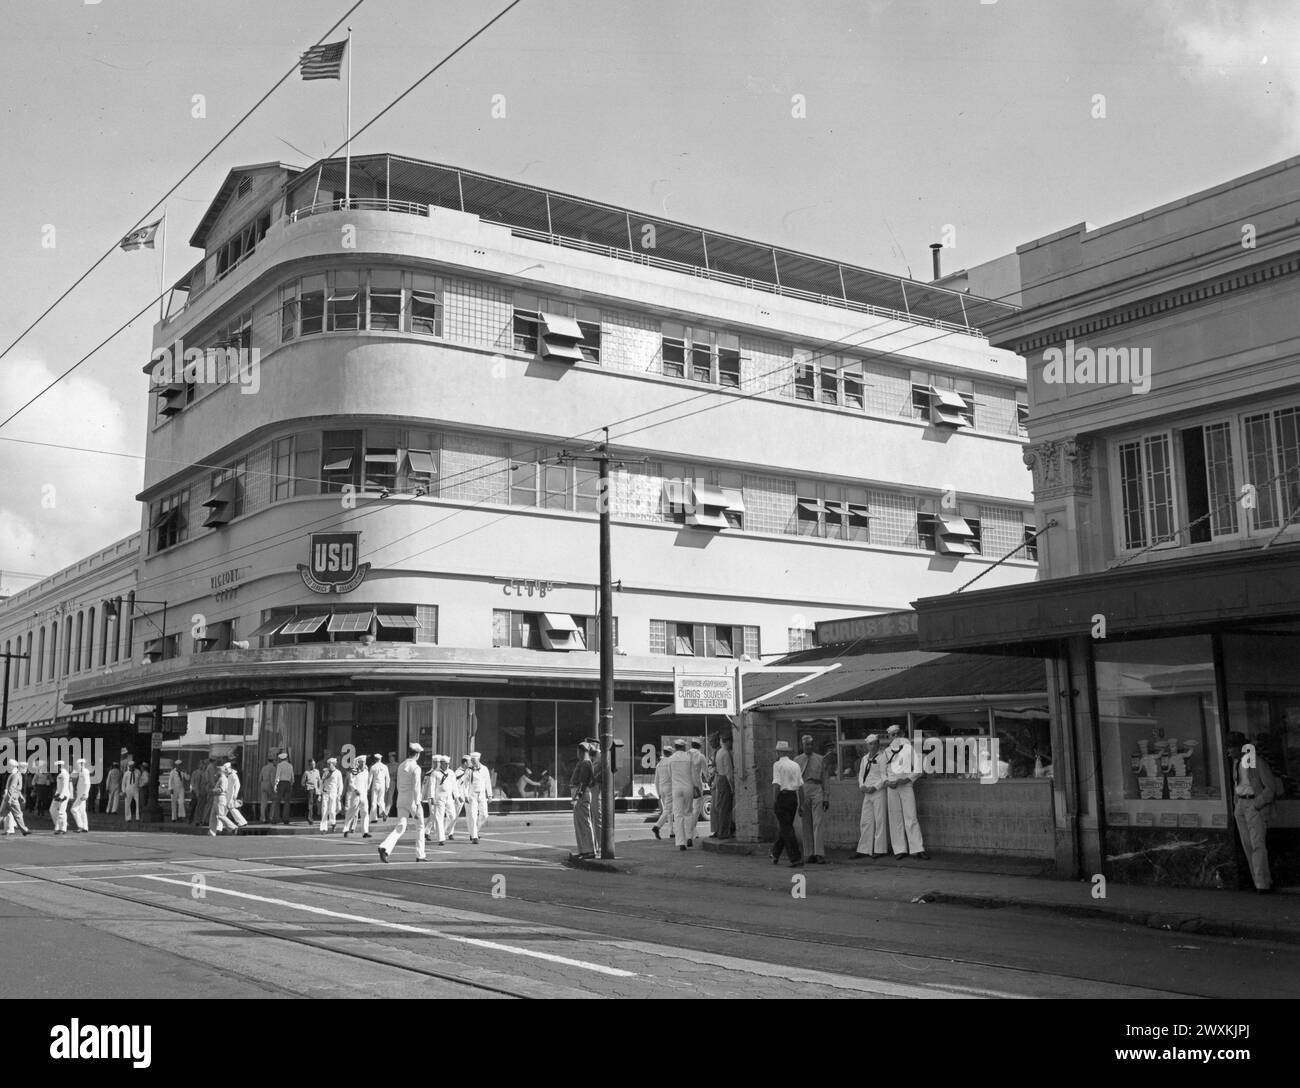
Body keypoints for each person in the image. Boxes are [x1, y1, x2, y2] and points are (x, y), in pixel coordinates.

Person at [1228, 731, 1279, 893]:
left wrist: (1257, 804)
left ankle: (1262, 883)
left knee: (1257, 844)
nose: (1229, 752)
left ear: (1239, 748)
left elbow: (1271, 788)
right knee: (1248, 845)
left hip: (1253, 803)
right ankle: (1259, 880)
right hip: (1242, 804)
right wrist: (1237, 803)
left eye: (1231, 748)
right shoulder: (1236, 763)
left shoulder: (1257, 762)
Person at [884, 725, 929, 860]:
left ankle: (917, 849)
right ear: (889, 737)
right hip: (892, 788)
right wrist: (887, 781)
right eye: (892, 735)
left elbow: (918, 769)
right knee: (895, 818)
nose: (895, 736)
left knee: (911, 816)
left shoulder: (909, 749)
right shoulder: (886, 751)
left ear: (901, 734)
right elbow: (883, 772)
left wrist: (907, 779)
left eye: (897, 734)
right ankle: (899, 849)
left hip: (906, 785)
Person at [377, 744, 426, 863]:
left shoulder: (401, 766)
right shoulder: (416, 767)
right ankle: (420, 855)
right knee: (420, 826)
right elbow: (416, 787)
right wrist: (418, 803)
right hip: (412, 800)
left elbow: (398, 784)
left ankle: (385, 846)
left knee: (401, 826)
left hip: (401, 798)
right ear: (417, 754)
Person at [853, 735, 890, 859]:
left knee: (880, 820)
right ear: (867, 746)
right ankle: (864, 849)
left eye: (875, 743)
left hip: (878, 792)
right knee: (865, 821)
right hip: (867, 793)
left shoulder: (882, 757)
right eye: (870, 744)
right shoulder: (864, 758)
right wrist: (862, 785)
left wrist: (875, 787)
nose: (873, 746)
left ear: (878, 744)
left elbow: (884, 775)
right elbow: (861, 775)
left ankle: (880, 849)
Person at [795, 734, 829, 864]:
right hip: (803, 788)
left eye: (810, 744)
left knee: (818, 822)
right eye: (806, 744)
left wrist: (826, 797)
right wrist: (798, 801)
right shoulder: (797, 760)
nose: (809, 746)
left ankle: (819, 853)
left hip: (817, 788)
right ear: (802, 745)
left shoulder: (821, 759)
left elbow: (825, 778)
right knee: (806, 823)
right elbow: (795, 780)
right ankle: (808, 853)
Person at [664, 738, 704, 850]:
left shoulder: (670, 759)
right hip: (688, 788)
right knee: (688, 813)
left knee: (678, 815)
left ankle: (681, 842)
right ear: (683, 747)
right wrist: (696, 786)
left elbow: (670, 775)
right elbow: (693, 774)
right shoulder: (689, 758)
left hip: (676, 788)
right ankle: (689, 837)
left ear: (676, 747)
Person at [770, 740, 803, 867]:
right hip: (793, 797)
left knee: (787, 828)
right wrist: (801, 804)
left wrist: (774, 800)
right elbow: (801, 786)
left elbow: (776, 785)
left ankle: (795, 857)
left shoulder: (777, 765)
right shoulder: (795, 765)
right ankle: (775, 853)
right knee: (786, 826)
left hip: (783, 797)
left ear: (779, 752)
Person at [569, 742, 597, 859]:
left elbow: (583, 783)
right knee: (579, 824)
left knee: (584, 823)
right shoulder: (584, 763)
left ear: (581, 751)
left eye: (578, 751)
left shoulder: (585, 763)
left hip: (581, 794)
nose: (577, 753)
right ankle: (583, 850)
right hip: (579, 793)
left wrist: (577, 797)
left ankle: (589, 850)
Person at [429, 755, 460, 845]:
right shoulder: (435, 773)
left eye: (448, 764)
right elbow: (432, 786)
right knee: (439, 817)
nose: (447, 765)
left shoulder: (451, 773)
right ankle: (441, 839)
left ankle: (444, 829)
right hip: (439, 797)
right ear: (441, 764)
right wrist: (431, 797)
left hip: (449, 797)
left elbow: (454, 786)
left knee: (453, 816)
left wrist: (457, 797)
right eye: (445, 764)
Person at [462, 752, 491, 844]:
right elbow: (465, 784)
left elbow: (488, 782)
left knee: (484, 815)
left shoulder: (484, 769)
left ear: (478, 759)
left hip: (482, 794)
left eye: (474, 760)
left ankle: (474, 831)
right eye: (472, 760)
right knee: (473, 816)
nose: (472, 762)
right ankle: (474, 837)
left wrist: (489, 795)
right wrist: (465, 795)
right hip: (472, 794)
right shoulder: (469, 770)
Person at [208, 760, 240, 836]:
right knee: (213, 815)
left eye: (218, 770)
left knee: (221, 815)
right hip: (217, 798)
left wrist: (212, 791)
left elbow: (221, 789)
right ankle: (212, 832)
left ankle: (233, 827)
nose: (217, 772)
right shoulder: (221, 778)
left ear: (221, 772)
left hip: (220, 798)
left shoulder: (223, 779)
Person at [713, 733, 736, 839]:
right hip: (725, 780)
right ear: (727, 741)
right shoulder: (725, 753)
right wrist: (732, 787)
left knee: (721, 806)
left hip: (720, 779)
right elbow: (729, 772)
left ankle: (720, 830)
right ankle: (724, 832)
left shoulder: (718, 752)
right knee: (725, 808)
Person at [343, 754, 372, 839]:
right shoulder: (354, 770)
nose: (363, 763)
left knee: (365, 813)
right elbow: (351, 782)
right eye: (361, 762)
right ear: (358, 762)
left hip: (364, 795)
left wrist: (367, 791)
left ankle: (365, 832)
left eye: (364, 762)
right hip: (355, 795)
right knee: (351, 812)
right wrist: (355, 790)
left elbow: (367, 783)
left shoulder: (366, 771)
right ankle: (346, 829)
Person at [651, 745, 675, 841]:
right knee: (668, 810)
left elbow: (656, 780)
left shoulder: (659, 764)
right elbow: (673, 776)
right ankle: (657, 826)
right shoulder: (671, 762)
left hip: (661, 788)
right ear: (670, 753)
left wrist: (658, 793)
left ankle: (671, 831)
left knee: (668, 811)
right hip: (670, 788)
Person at [2, 761, 31, 836]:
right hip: (12, 799)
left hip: (10, 798)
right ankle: (24, 830)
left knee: (2, 815)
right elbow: (12, 788)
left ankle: (24, 830)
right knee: (18, 814)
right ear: (20, 768)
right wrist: (10, 799)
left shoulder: (17, 775)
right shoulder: (16, 775)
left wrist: (21, 797)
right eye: (24, 768)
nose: (26, 770)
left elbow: (17, 789)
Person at [688, 741, 710, 830]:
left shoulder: (685, 755)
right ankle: (692, 828)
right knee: (696, 807)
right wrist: (709, 782)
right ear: (700, 747)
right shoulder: (701, 756)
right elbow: (706, 772)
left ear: (691, 745)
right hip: (696, 785)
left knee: (687, 808)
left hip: (685, 784)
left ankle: (689, 829)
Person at [319, 757, 343, 832]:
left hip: (333, 792)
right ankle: (323, 828)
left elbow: (340, 784)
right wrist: (320, 793)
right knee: (324, 809)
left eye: (330, 764)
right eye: (328, 764)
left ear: (334, 764)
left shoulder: (338, 773)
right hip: (326, 792)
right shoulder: (325, 772)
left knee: (332, 810)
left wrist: (339, 794)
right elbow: (321, 782)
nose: (329, 765)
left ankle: (333, 823)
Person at [70, 757, 91, 833]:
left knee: (73, 809)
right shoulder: (80, 772)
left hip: (82, 795)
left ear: (82, 764)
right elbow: (71, 776)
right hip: (80, 794)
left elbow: (87, 783)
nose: (77, 766)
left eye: (78, 765)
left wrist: (86, 793)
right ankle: (85, 827)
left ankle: (80, 826)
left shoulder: (85, 771)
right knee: (82, 811)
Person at [49, 760, 70, 835]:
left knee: (61, 812)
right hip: (59, 794)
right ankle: (58, 825)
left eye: (59, 766)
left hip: (64, 794)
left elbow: (65, 786)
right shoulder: (60, 774)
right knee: (52, 809)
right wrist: (57, 794)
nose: (57, 767)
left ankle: (62, 828)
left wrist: (62, 796)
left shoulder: (64, 774)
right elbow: (59, 787)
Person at [273, 750, 294, 824]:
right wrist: (291, 784)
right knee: (287, 802)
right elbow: (292, 778)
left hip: (281, 783)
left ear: (281, 759)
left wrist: (275, 784)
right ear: (286, 758)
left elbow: (277, 775)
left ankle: (276, 819)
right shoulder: (290, 765)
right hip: (288, 783)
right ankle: (286, 819)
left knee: (277, 801)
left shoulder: (279, 765)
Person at [226, 761, 249, 828]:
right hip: (228, 795)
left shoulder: (233, 775)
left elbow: (238, 785)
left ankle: (242, 822)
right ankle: (242, 822)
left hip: (231, 795)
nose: (226, 771)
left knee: (230, 809)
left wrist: (235, 794)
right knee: (229, 810)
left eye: (227, 769)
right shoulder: (230, 775)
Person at [368, 753, 389, 823]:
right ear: (380, 759)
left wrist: (368, 788)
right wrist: (387, 786)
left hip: (375, 784)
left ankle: (374, 818)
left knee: (374, 801)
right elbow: (387, 778)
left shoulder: (373, 767)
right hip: (382, 784)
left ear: (375, 759)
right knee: (381, 800)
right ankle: (383, 812)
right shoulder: (385, 767)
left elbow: (370, 779)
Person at [190, 758, 210, 825]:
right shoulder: (197, 773)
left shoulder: (205, 772)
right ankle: (197, 820)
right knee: (199, 807)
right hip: (200, 792)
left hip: (205, 792)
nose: (204, 766)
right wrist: (197, 792)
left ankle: (202, 820)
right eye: (203, 764)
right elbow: (196, 784)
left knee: (203, 807)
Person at [302, 759, 321, 824]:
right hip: (310, 789)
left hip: (316, 789)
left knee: (314, 804)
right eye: (312, 764)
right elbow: (302, 783)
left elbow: (319, 781)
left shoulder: (317, 771)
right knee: (310, 804)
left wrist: (319, 789)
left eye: (314, 764)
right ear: (309, 765)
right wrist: (306, 787)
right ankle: (310, 819)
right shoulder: (306, 772)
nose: (313, 765)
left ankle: (310, 816)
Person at [258, 757, 276, 822]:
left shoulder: (263, 767)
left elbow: (260, 778)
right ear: (273, 761)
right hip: (269, 784)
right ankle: (271, 817)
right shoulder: (273, 768)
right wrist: (274, 788)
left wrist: (261, 784)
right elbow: (272, 779)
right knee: (274, 800)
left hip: (263, 784)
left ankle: (262, 818)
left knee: (263, 802)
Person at [384, 752, 399, 818]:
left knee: (390, 797)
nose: (390, 758)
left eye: (391, 757)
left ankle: (387, 812)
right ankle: (384, 811)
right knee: (384, 797)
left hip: (392, 782)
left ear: (394, 757)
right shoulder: (386, 766)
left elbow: (397, 775)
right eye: (389, 757)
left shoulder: (397, 765)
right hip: (385, 782)